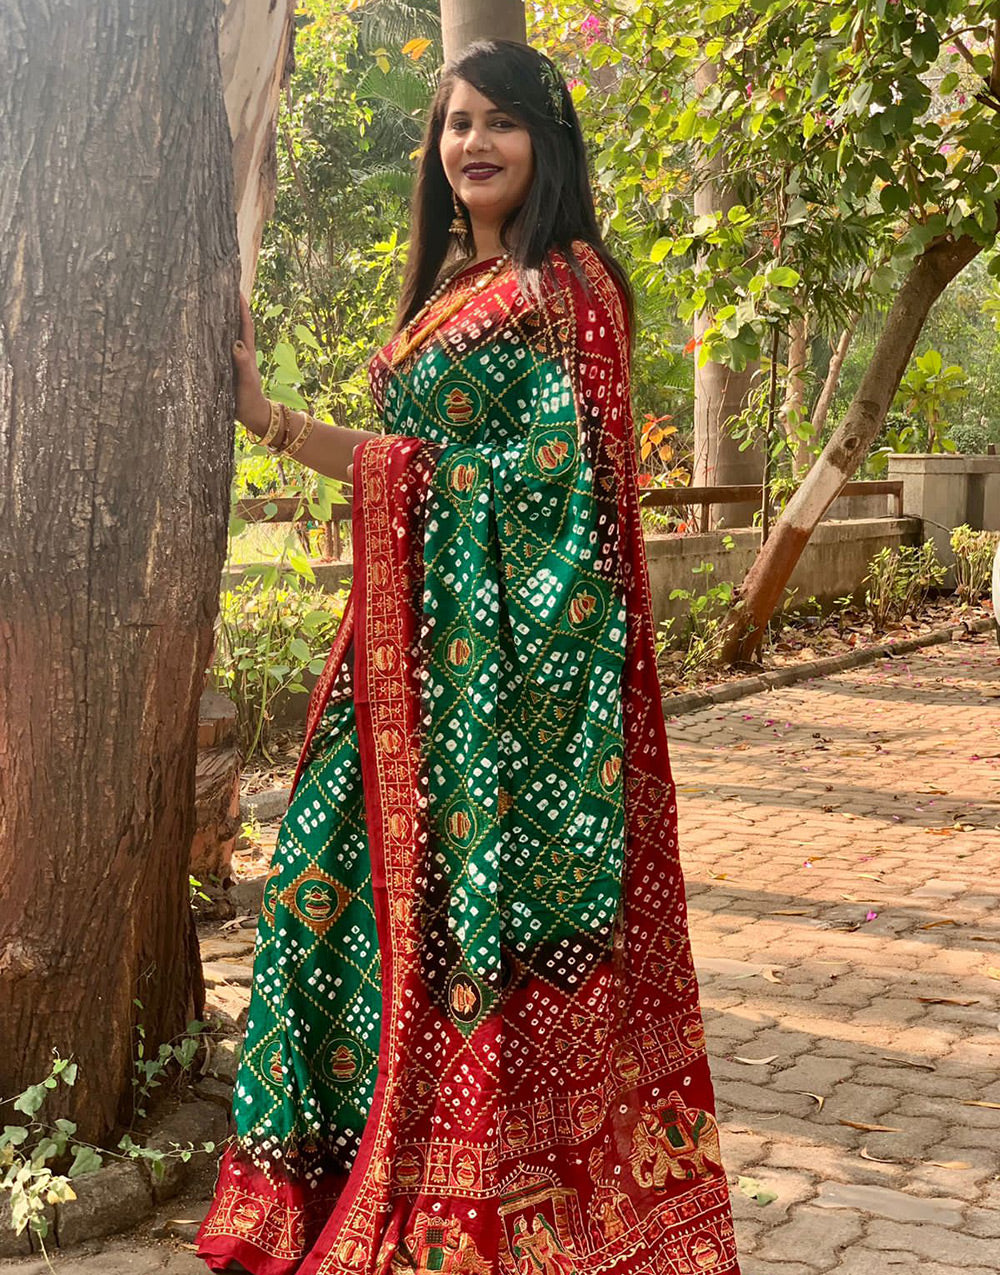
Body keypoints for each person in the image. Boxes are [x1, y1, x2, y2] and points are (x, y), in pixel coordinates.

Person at [197, 39, 740, 1275]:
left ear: (547, 142)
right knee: (316, 901)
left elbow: (574, 504)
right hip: (407, 676)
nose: (473, 143)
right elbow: (415, 463)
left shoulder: (569, 286)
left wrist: (416, 490)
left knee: (471, 939)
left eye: (501, 123)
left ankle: (490, 1195)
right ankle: (350, 1168)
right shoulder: (454, 283)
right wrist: (265, 416)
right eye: (455, 124)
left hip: (511, 705)